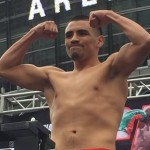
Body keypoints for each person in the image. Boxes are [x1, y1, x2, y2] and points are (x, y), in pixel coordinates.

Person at [0, 10, 150, 150]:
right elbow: (4, 67)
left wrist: (110, 15)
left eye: (82, 33)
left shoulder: (112, 69)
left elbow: (144, 41)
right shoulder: (52, 78)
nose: (74, 39)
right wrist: (34, 33)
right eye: (69, 35)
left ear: (99, 41)